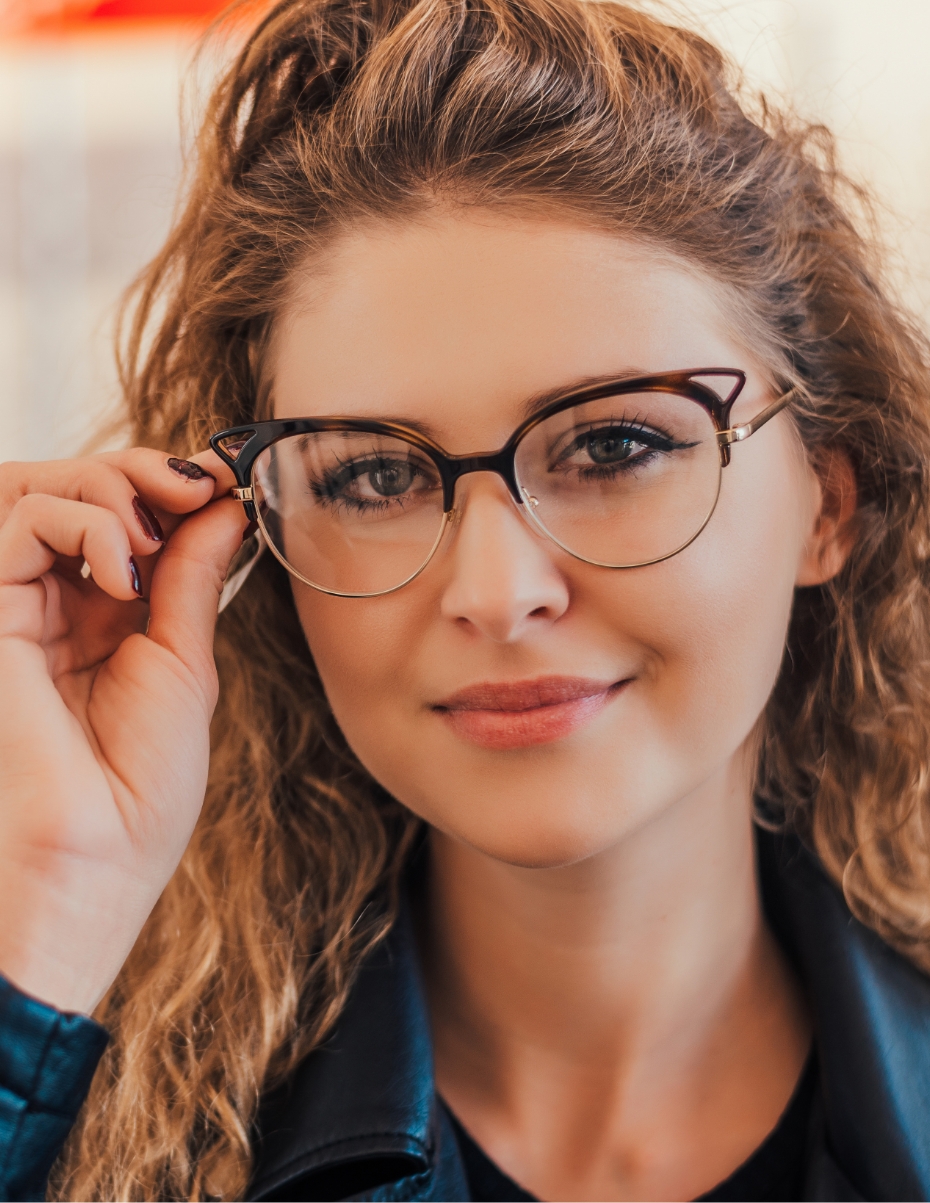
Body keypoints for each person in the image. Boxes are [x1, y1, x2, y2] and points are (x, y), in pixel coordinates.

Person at [2, 0, 930, 1198]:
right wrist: (49, 911)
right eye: (376, 475)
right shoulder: (92, 1120)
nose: (494, 595)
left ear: (828, 502)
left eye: (613, 449)